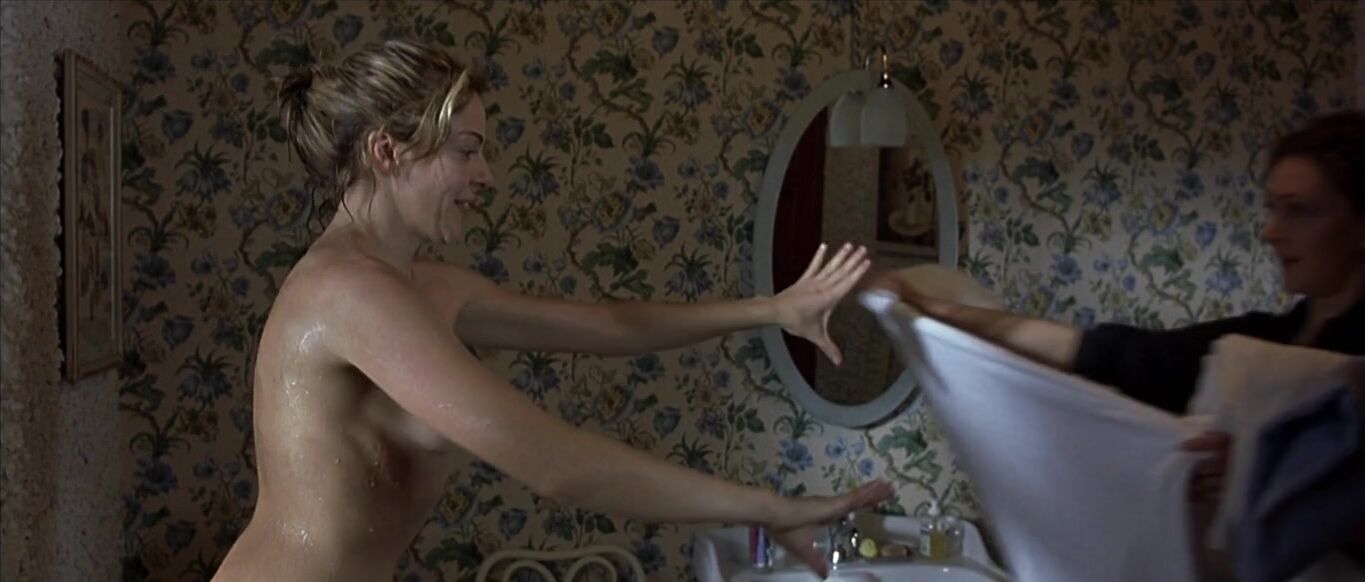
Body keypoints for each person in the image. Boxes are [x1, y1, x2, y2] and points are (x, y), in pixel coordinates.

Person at [212, 40, 892, 581]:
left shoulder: (427, 288)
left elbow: (610, 326)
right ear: (387, 152)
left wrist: (770, 309)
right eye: (466, 150)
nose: (486, 175)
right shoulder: (348, 293)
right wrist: (770, 508)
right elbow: (553, 464)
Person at [868, 110, 1365, 540]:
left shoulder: (1345, 365)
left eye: (1300, 210)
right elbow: (1109, 353)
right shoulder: (1260, 344)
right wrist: (937, 310)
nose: (1271, 231)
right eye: (1272, 207)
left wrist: (1267, 478)